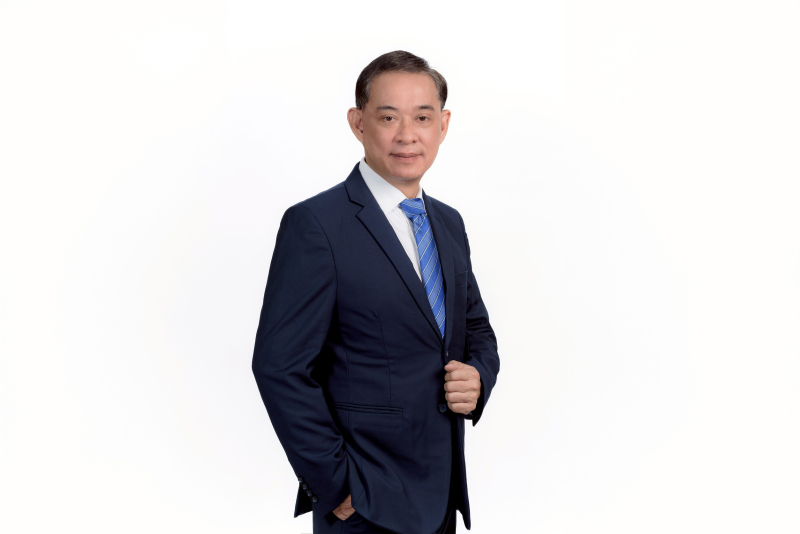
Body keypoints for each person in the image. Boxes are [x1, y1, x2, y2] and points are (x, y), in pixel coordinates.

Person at [252, 50, 500, 534]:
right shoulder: (316, 225)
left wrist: (479, 376)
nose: (407, 135)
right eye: (388, 117)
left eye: (422, 117)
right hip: (364, 502)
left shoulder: (448, 223)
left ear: (443, 125)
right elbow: (279, 367)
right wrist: (337, 487)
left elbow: (476, 332)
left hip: (441, 496)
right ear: (358, 122)